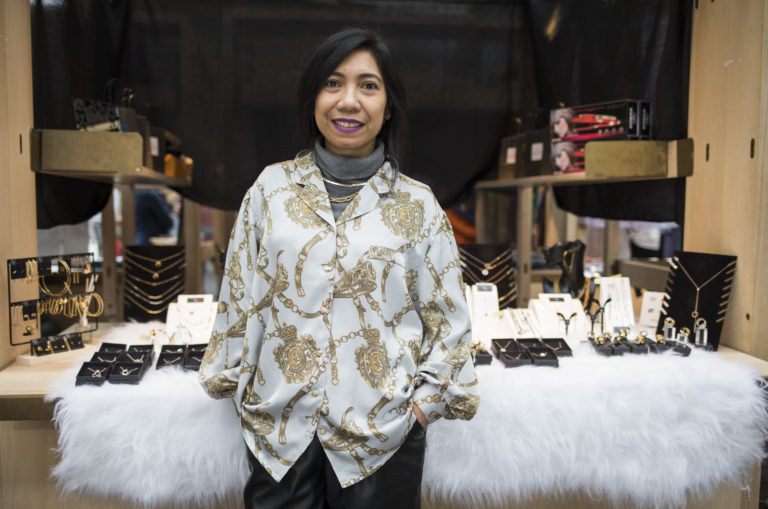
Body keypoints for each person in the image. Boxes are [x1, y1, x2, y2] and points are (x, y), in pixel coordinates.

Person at [199, 28, 479, 509]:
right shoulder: (270, 190)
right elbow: (237, 300)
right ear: (313, 99)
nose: (349, 100)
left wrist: (419, 412)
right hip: (279, 434)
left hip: (381, 439)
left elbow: (449, 322)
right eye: (333, 83)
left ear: (388, 107)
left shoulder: (418, 206)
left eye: (368, 85)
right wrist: (238, 390)